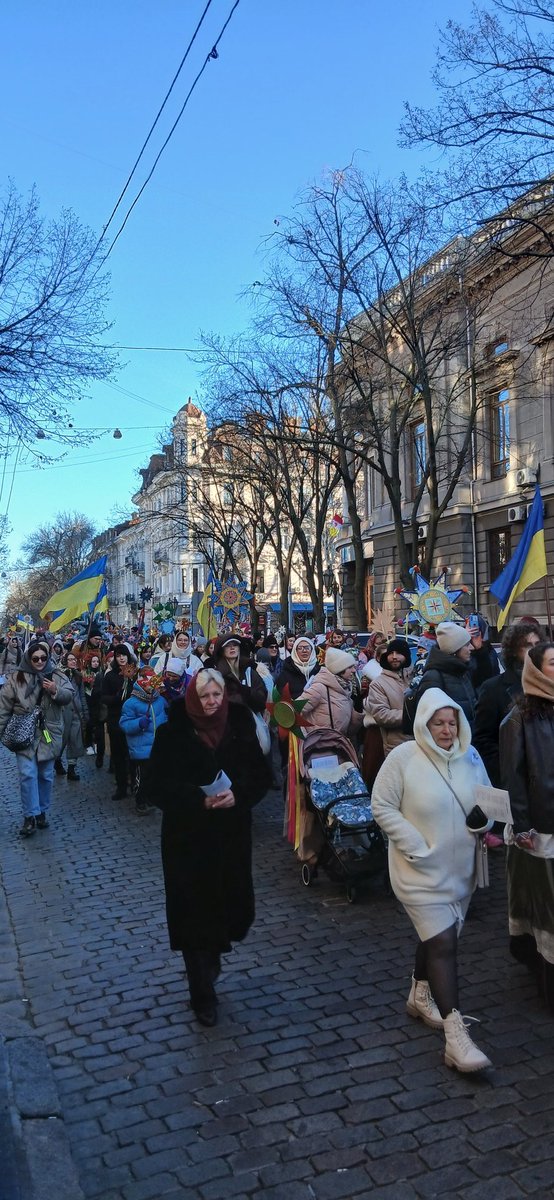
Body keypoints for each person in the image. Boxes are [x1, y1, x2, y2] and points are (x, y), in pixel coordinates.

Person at [372, 689, 492, 1072]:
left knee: (438, 937)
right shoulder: (404, 758)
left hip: (460, 873)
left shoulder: (471, 757)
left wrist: (485, 821)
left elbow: (487, 801)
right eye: (438, 723)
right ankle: (456, 1038)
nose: (446, 730)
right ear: (424, 723)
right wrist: (414, 845)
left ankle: (418, 993)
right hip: (419, 872)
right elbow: (381, 804)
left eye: (451, 723)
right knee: (443, 942)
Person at [149, 668, 272, 1026]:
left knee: (235, 912)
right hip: (188, 839)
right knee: (193, 917)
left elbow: (261, 775)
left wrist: (239, 795)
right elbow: (155, 785)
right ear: (193, 698)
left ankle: (213, 952)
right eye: (204, 696)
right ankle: (201, 992)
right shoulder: (172, 732)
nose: (212, 702)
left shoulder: (239, 724)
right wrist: (197, 800)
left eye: (216, 695)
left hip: (231, 836)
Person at [499, 641, 554, 1010]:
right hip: (544, 827)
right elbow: (513, 778)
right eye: (553, 662)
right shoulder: (519, 718)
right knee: (548, 908)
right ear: (535, 670)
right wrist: (522, 825)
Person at [0, 639, 72, 836]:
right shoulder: (16, 678)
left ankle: (41, 811)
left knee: (45, 775)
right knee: (27, 774)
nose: (40, 661)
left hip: (48, 732)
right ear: (28, 659)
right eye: (35, 658)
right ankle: (29, 816)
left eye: (43, 658)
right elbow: (3, 708)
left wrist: (55, 690)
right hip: (24, 733)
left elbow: (69, 695)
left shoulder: (56, 675)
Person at [474, 621, 541, 786]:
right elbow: (484, 740)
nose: (534, 650)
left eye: (537, 644)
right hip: (514, 782)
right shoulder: (493, 689)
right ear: (514, 650)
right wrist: (509, 773)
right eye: (527, 645)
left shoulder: (547, 683)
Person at [120, 667, 168, 814]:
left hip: (157, 746)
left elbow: (166, 718)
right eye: (149, 683)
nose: (152, 686)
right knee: (144, 776)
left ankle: (149, 798)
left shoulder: (160, 700)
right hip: (141, 747)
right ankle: (140, 801)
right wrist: (139, 723)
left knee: (154, 775)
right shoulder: (130, 703)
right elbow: (125, 724)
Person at [417, 620, 477, 729]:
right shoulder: (433, 677)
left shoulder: (462, 671)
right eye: (467, 645)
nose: (472, 648)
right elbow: (427, 722)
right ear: (454, 649)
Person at [298, 647, 362, 739]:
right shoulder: (319, 688)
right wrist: (307, 737)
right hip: (319, 744)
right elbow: (294, 710)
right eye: (350, 667)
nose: (354, 670)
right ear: (340, 669)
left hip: (338, 743)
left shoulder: (346, 687)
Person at [365, 638, 413, 757]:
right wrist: (410, 715)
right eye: (391, 653)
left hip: (420, 743)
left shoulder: (413, 678)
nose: (394, 657)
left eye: (399, 653)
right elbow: (381, 715)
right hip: (396, 747)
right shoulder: (378, 684)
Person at [102, 643, 137, 799]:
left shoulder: (135, 674)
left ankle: (135, 783)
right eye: (118, 655)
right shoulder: (110, 676)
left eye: (124, 655)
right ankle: (121, 786)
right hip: (116, 719)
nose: (121, 658)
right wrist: (116, 698)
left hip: (133, 719)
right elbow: (103, 697)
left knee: (133, 754)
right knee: (118, 755)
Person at [212, 634, 267, 713]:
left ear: (239, 648)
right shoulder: (217, 675)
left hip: (250, 719)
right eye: (227, 645)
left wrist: (247, 692)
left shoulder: (249, 672)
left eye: (235, 645)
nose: (232, 648)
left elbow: (262, 700)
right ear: (222, 650)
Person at [55, 651, 87, 781]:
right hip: (62, 713)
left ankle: (71, 769)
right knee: (60, 741)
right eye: (70, 659)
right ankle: (57, 761)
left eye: (74, 659)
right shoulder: (58, 676)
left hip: (76, 713)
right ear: (65, 661)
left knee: (75, 741)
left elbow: (82, 695)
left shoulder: (78, 675)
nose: (73, 661)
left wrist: (85, 712)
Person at [81, 650, 106, 768]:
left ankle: (97, 744)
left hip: (98, 703)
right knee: (89, 723)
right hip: (88, 701)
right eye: (93, 661)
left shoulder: (102, 673)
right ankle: (88, 743)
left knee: (97, 724)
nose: (95, 663)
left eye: (97, 661)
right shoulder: (86, 673)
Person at [467, 614, 500, 692]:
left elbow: (492, 676)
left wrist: (479, 649)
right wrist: (464, 639)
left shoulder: (489, 650)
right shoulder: (462, 651)